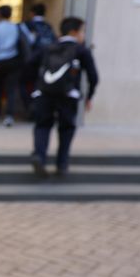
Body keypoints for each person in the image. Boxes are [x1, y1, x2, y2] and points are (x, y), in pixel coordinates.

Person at [28, 16, 99, 177]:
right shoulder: (81, 50)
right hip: (68, 95)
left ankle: (39, 155)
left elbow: (30, 64)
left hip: (44, 93)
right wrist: (89, 95)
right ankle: (62, 164)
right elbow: (93, 76)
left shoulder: (48, 47)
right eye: (82, 31)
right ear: (74, 32)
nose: (83, 36)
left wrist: (36, 86)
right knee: (66, 128)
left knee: (42, 125)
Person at [19, 3, 57, 113]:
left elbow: (25, 43)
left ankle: (29, 106)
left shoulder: (26, 25)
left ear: (32, 13)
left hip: (29, 60)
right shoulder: (48, 26)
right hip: (46, 61)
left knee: (22, 83)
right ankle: (36, 107)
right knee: (38, 85)